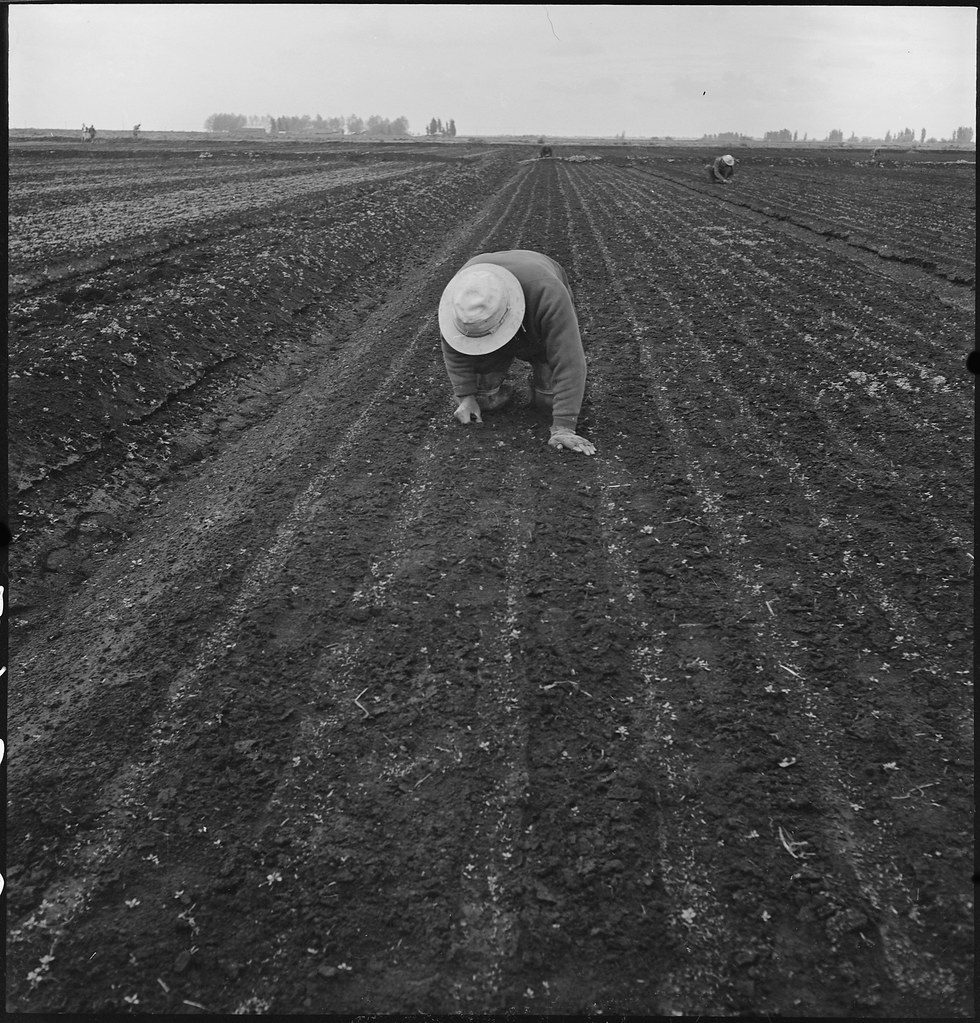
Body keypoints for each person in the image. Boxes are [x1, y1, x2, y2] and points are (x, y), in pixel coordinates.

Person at [439, 250, 595, 455]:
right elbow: (454, 348)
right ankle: (500, 386)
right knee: (483, 402)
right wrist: (466, 396)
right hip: (491, 307)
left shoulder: (549, 293)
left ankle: (540, 371)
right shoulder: (461, 299)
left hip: (535, 314)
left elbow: (569, 361)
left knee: (548, 404)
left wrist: (564, 427)